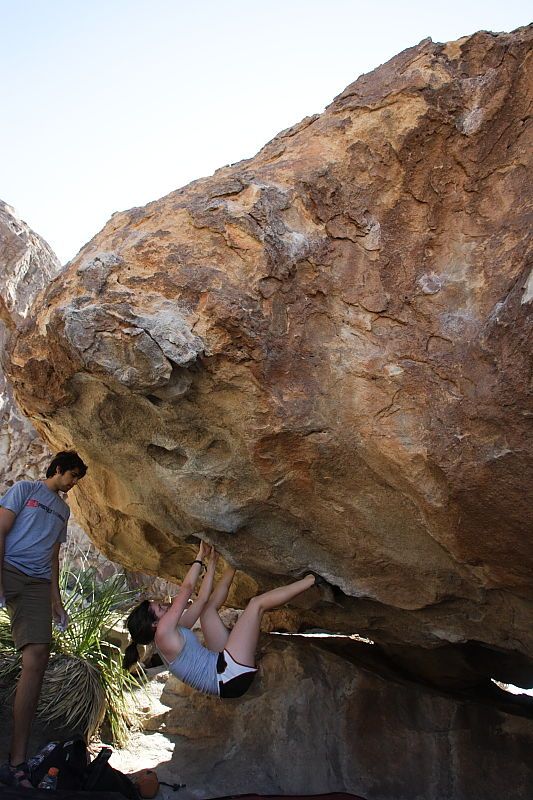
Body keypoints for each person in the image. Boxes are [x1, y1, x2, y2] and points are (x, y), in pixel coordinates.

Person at [124, 544, 319, 698]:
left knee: (207, 610)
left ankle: (235, 564)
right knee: (256, 604)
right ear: (154, 624)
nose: (165, 606)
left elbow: (201, 600)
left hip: (222, 667)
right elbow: (187, 589)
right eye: (159, 608)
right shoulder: (163, 635)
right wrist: (199, 557)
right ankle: (311, 581)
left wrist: (214, 561)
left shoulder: (171, 632)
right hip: (231, 678)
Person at [0, 450, 87, 788]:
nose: (74, 483)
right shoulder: (25, 490)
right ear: (59, 469)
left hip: (37, 583)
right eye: (73, 475)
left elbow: (54, 557)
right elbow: (2, 530)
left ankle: (17, 758)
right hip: (8, 567)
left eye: (78, 478)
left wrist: (57, 602)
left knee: (37, 655)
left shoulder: (63, 511)